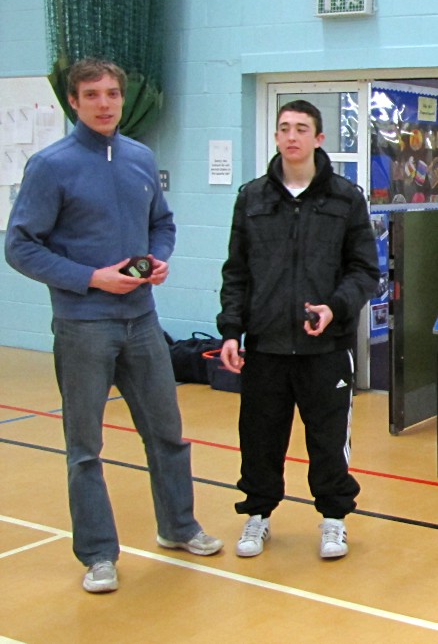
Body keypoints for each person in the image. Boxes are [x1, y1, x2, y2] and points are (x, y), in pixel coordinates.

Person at [5, 58, 223, 593]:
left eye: (112, 94)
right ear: (74, 103)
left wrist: (159, 258)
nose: (105, 103)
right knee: (85, 447)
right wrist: (91, 278)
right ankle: (99, 554)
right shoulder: (50, 166)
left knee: (167, 435)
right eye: (92, 94)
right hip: (83, 327)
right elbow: (19, 246)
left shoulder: (141, 158)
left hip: (143, 324)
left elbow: (162, 224)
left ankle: (178, 526)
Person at [217, 100, 379, 560]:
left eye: (301, 128)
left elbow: (365, 271)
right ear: (276, 137)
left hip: (325, 348)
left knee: (327, 439)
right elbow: (237, 272)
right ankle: (258, 516)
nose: (292, 136)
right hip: (265, 346)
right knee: (260, 437)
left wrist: (334, 307)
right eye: (284, 128)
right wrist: (232, 330)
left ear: (319, 138)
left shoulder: (346, 198)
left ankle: (333, 520)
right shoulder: (252, 197)